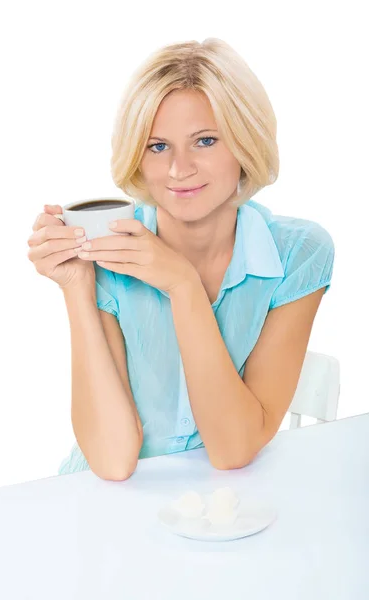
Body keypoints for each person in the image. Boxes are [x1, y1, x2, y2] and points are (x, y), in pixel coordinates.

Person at [27, 38, 335, 481]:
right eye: (158, 146)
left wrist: (182, 285)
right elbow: (112, 462)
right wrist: (77, 284)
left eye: (205, 141)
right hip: (107, 501)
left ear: (245, 145)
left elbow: (232, 449)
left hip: (223, 502)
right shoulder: (110, 249)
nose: (178, 169)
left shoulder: (299, 254)